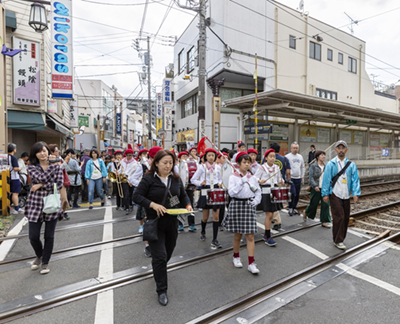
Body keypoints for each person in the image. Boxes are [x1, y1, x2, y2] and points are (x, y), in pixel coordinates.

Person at [133, 150, 192, 306]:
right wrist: (152, 204)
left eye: (171, 163)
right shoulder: (148, 179)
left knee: (167, 254)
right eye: (165, 162)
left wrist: (188, 205)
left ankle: (158, 271)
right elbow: (136, 196)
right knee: (159, 257)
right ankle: (162, 290)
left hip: (172, 223)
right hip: (154, 223)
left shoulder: (176, 179)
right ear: (156, 163)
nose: (168, 166)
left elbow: (183, 195)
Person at [25, 141, 63, 274]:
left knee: (49, 236)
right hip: (35, 204)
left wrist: (40, 185)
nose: (43, 153)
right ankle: (39, 255)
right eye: (39, 151)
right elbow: (40, 177)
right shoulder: (31, 167)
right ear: (35, 154)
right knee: (33, 236)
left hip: (52, 203)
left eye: (45, 150)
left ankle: (45, 262)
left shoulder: (57, 167)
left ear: (48, 151)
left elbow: (58, 185)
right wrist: (49, 176)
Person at [222, 152, 262, 274]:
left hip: (249, 205)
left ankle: (251, 263)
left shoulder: (253, 177)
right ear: (238, 164)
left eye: (248, 162)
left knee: (250, 236)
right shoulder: (233, 177)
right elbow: (231, 193)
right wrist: (241, 181)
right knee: (238, 235)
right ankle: (236, 257)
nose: (246, 164)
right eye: (244, 162)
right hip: (237, 204)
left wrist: (255, 201)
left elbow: (258, 192)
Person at [321, 141, 361, 250]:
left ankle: (340, 238)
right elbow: (326, 180)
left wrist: (356, 193)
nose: (341, 150)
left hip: (346, 194)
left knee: (346, 218)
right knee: (339, 217)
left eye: (343, 148)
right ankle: (338, 240)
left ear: (346, 150)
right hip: (335, 193)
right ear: (336, 150)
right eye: (339, 148)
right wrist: (325, 194)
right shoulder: (331, 164)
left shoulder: (351, 165)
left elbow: (355, 179)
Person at [130, 146, 162, 257]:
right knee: (148, 222)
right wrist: (143, 186)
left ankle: (159, 244)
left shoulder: (164, 166)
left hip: (160, 197)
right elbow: (132, 178)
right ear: (151, 157)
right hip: (147, 198)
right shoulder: (144, 166)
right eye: (156, 158)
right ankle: (147, 246)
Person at [190, 148, 223, 249]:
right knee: (205, 217)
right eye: (209, 155)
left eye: (213, 155)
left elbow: (221, 178)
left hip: (215, 191)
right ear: (205, 157)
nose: (211, 157)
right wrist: (200, 183)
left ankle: (215, 239)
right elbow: (193, 179)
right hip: (205, 191)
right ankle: (203, 231)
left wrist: (220, 183)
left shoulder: (218, 167)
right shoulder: (202, 167)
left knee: (216, 217)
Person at [255, 149, 284, 247]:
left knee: (271, 214)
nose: (272, 158)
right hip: (266, 191)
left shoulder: (276, 167)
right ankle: (268, 236)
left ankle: (266, 235)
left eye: (274, 156)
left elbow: (279, 179)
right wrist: (260, 181)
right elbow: (254, 178)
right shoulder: (262, 167)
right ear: (266, 158)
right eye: (270, 156)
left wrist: (282, 181)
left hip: (274, 190)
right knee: (270, 214)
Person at [305, 150, 331, 227]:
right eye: (322, 155)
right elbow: (311, 177)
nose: (323, 156)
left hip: (325, 189)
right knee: (313, 204)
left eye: (324, 155)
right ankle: (306, 212)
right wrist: (315, 186)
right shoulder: (313, 166)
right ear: (317, 157)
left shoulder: (327, 166)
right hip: (316, 188)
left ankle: (324, 221)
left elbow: (329, 177)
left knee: (325, 205)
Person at [270, 143, 291, 230]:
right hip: (280, 183)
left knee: (273, 203)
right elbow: (288, 172)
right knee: (275, 202)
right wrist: (288, 182)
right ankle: (273, 219)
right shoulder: (285, 159)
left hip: (270, 183)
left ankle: (277, 221)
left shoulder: (267, 158)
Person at [177, 151, 197, 232]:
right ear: (179, 158)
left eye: (186, 156)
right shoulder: (176, 166)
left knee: (190, 205)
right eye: (183, 156)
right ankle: (180, 224)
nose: (185, 158)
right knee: (179, 206)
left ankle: (191, 224)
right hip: (179, 189)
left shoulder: (188, 166)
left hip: (188, 188)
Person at [285, 142, 304, 216]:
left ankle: (294, 207)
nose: (295, 149)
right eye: (294, 148)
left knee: (297, 194)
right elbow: (285, 168)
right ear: (291, 149)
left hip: (298, 178)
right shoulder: (287, 157)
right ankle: (290, 207)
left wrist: (302, 175)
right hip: (291, 178)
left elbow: (302, 166)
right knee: (292, 193)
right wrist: (286, 178)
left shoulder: (300, 157)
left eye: (297, 148)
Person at [121, 149, 140, 215]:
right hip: (124, 179)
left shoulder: (135, 162)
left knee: (131, 193)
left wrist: (130, 180)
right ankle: (127, 207)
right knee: (126, 194)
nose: (130, 157)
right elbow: (120, 169)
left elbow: (134, 173)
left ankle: (131, 205)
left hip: (131, 180)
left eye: (131, 155)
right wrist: (118, 172)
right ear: (125, 155)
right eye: (128, 155)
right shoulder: (122, 161)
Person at [8, 144, 23, 215]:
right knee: (15, 193)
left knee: (8, 192)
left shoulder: (4, 157)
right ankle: (16, 208)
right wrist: (20, 168)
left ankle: (7, 206)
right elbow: (15, 168)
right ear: (14, 150)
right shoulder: (13, 158)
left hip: (6, 177)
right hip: (14, 177)